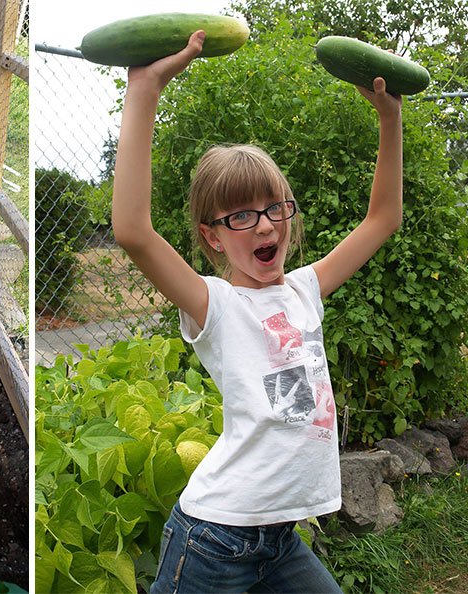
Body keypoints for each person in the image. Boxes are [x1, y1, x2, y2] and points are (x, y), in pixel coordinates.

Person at [111, 30, 402, 594]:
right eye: (240, 216)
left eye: (274, 208)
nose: (265, 225)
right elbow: (132, 230)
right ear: (212, 237)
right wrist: (144, 89)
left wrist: (389, 120)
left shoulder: (304, 290)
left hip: (279, 542)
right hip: (214, 542)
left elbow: (382, 219)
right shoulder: (216, 305)